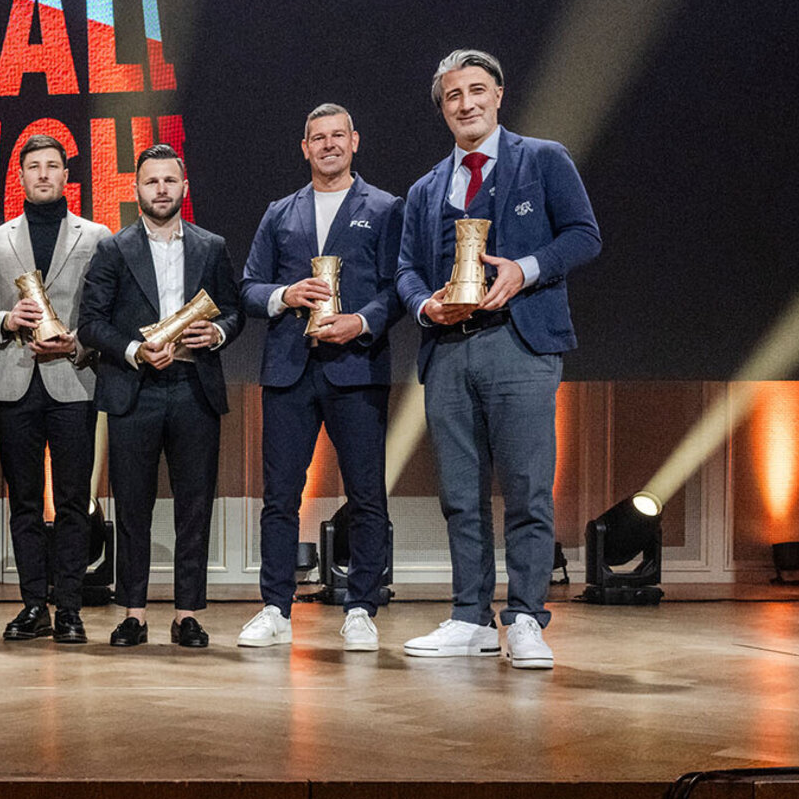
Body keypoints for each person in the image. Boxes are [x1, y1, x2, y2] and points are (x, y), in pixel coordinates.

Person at [395, 49, 600, 669]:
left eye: (477, 91)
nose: (467, 104)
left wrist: (526, 269)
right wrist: (425, 308)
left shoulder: (542, 159)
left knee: (527, 489)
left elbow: (584, 234)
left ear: (499, 95)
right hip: (449, 351)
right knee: (460, 494)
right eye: (454, 96)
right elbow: (406, 269)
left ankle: (528, 619)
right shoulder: (428, 187)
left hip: (520, 342)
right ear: (443, 108)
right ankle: (469, 617)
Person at [237, 104, 405, 651]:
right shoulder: (279, 212)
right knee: (280, 497)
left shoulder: (384, 208)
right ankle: (274, 608)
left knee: (366, 495)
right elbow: (249, 287)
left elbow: (398, 287)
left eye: (338, 135)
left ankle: (361, 607)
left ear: (355, 141)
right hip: (289, 371)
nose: (328, 144)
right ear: (304, 147)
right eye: (317, 138)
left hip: (357, 368)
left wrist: (359, 321)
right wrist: (286, 296)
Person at [78, 144, 243, 647]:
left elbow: (233, 312)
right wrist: (134, 350)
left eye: (170, 181)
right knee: (132, 507)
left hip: (195, 388)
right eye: (152, 182)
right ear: (137, 189)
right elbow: (90, 323)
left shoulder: (211, 246)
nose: (162, 189)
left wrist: (215, 335)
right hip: (136, 389)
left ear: (184, 187)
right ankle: (134, 613)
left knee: (195, 506)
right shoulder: (113, 248)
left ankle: (187, 613)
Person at [0, 133, 106, 644]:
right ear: (19, 178)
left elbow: (105, 314)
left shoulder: (96, 235)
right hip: (14, 381)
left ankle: (68, 607)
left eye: (53, 166)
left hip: (73, 379)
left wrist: (77, 343)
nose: (43, 174)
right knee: (22, 501)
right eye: (34, 167)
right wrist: (7, 319)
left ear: (67, 176)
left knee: (72, 501)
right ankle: (32, 606)